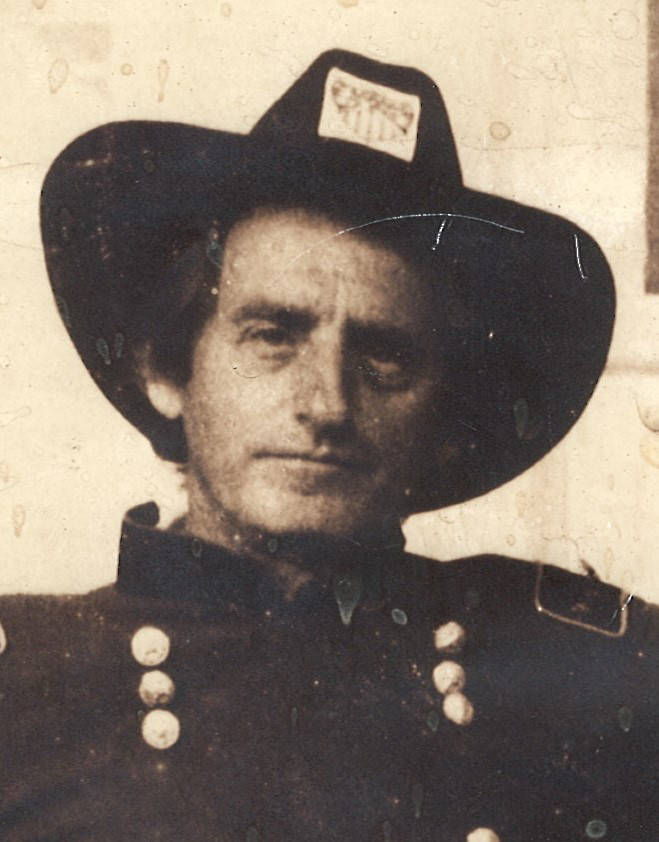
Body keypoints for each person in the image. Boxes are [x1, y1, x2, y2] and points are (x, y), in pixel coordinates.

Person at [1, 49, 657, 842]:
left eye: (384, 358)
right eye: (272, 336)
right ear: (170, 371)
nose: (326, 405)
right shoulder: (26, 684)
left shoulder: (590, 678)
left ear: (446, 423)